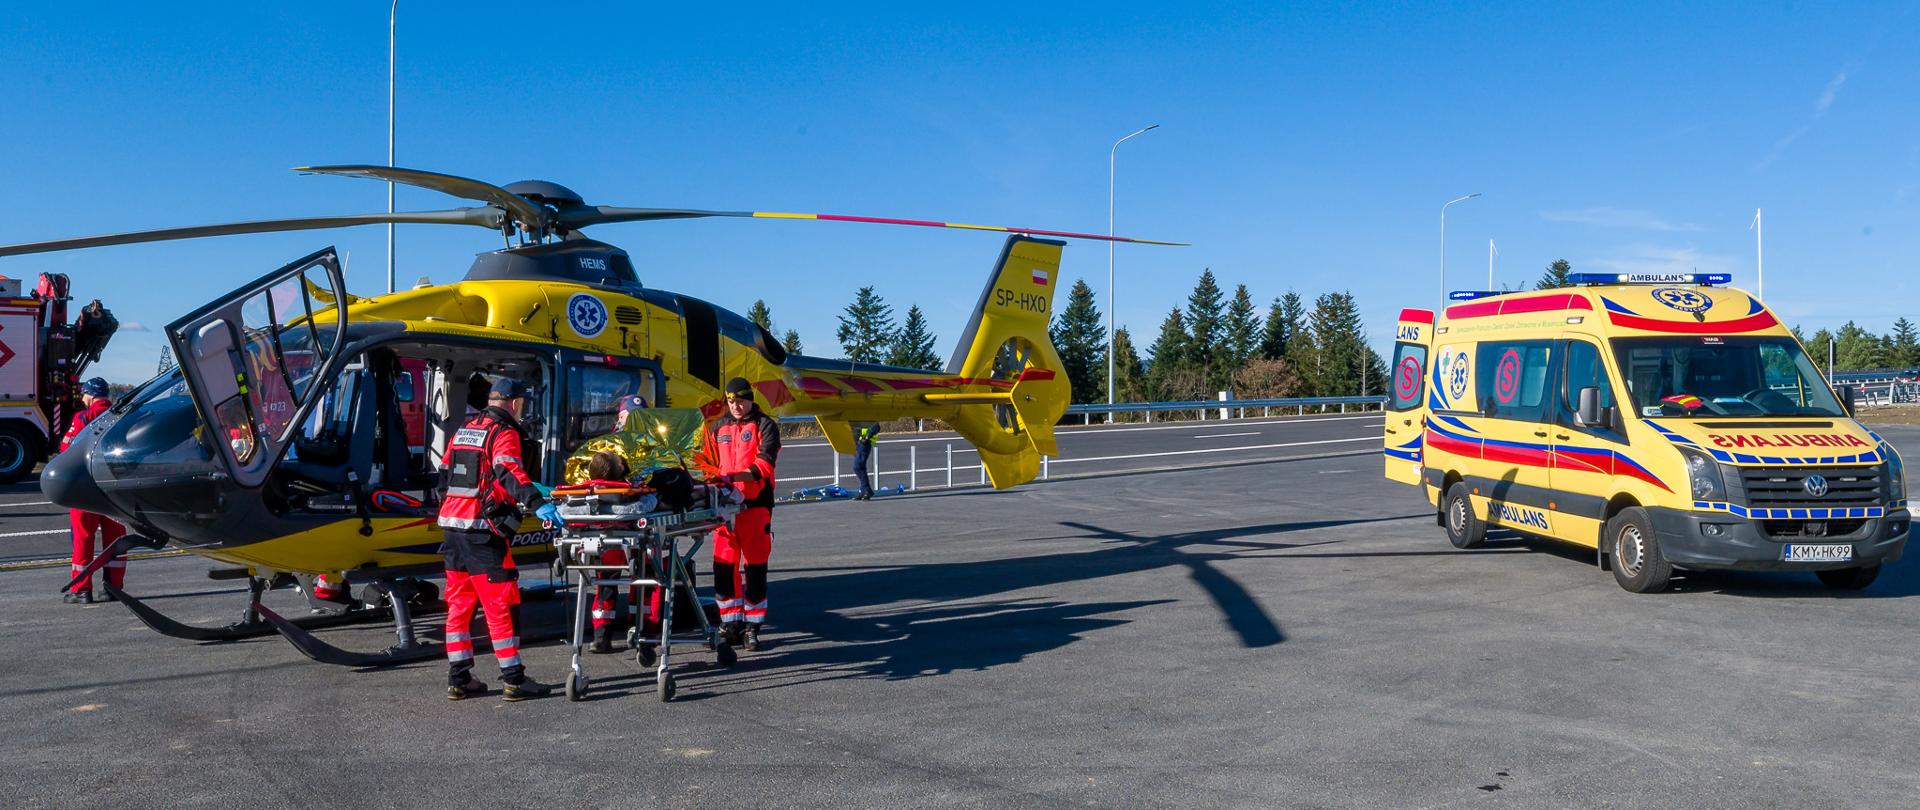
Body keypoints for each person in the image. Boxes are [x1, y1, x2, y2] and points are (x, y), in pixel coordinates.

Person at [435, 378, 557, 701]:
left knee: (459, 604)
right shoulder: (504, 433)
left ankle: (459, 677)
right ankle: (514, 679)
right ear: (515, 404)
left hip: (452, 527)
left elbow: (444, 474)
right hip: (481, 532)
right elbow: (507, 471)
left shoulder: (465, 429)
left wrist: (454, 506)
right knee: (501, 602)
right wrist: (537, 503)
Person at [703, 377, 780, 650]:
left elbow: (765, 464)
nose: (736, 406)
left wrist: (734, 476)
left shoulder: (765, 425)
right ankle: (731, 623)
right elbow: (707, 461)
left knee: (755, 568)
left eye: (741, 400)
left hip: (754, 507)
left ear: (750, 399)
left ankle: (752, 626)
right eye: (732, 401)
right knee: (724, 568)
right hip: (724, 509)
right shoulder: (718, 427)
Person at [63, 377, 125, 603]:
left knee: (83, 538)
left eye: (83, 394)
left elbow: (66, 448)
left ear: (89, 394)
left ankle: (81, 590)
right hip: (115, 488)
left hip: (85, 487)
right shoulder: (121, 416)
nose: (82, 398)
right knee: (115, 538)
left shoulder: (82, 417)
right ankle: (114, 587)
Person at [851, 421, 881, 500]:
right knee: (861, 468)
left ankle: (867, 490)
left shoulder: (866, 416)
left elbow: (876, 426)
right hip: (859, 444)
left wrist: (867, 437)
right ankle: (864, 491)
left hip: (864, 444)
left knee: (858, 467)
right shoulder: (856, 416)